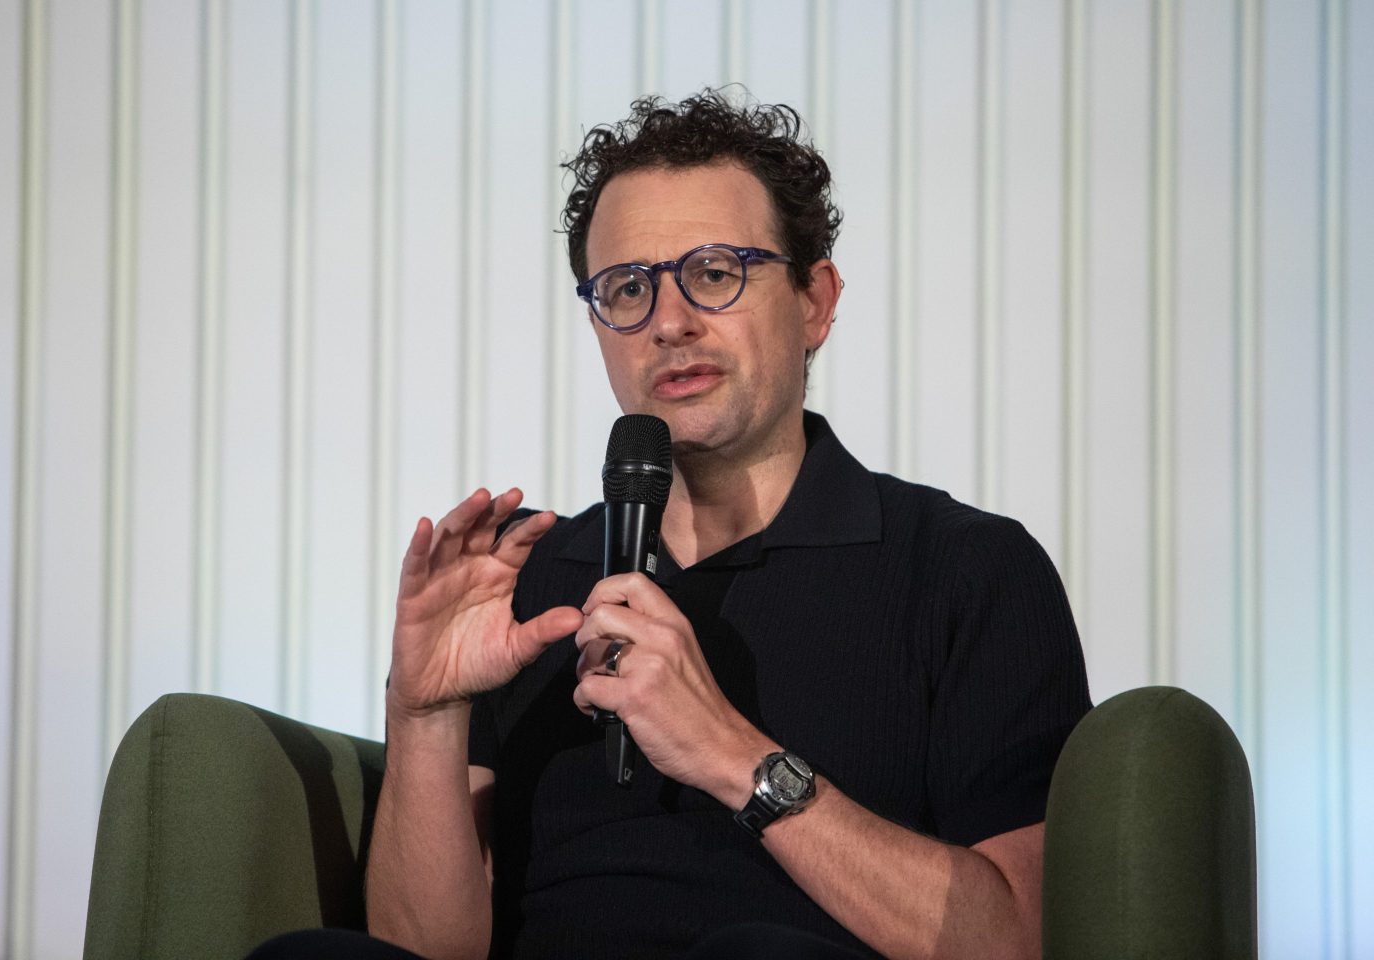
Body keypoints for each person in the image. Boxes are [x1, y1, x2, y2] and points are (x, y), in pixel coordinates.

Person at [250, 89, 1090, 960]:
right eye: (628, 288)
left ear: (814, 301)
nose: (670, 322)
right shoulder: (528, 584)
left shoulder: (968, 569)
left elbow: (1015, 940)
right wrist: (424, 711)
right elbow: (425, 950)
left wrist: (731, 755)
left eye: (717, 272)